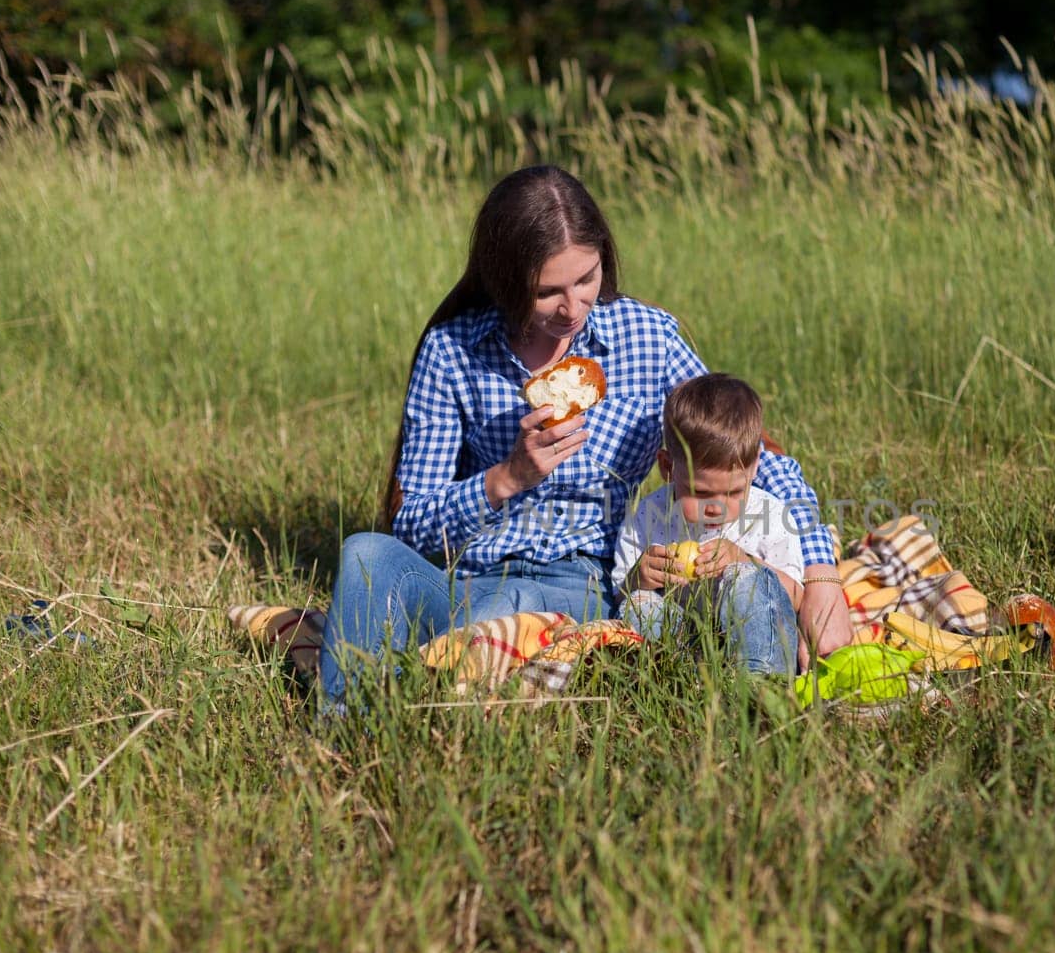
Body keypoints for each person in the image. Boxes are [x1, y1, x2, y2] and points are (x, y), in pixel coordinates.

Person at [318, 165, 852, 707]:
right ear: (504, 279)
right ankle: (347, 738)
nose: (572, 309)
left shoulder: (647, 339)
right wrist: (505, 478)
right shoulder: (452, 351)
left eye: (586, 279)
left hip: (590, 588)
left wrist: (822, 574)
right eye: (547, 291)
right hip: (473, 584)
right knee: (365, 553)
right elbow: (412, 525)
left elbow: (745, 452)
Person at [612, 374, 802, 676]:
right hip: (684, 640)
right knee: (638, 605)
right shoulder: (649, 516)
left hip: (754, 643)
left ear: (754, 467)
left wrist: (744, 559)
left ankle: (762, 683)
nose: (715, 506)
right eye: (699, 492)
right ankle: (676, 679)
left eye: (733, 492)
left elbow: (794, 596)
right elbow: (621, 595)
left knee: (747, 580)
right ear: (667, 467)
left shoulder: (770, 515)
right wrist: (638, 578)